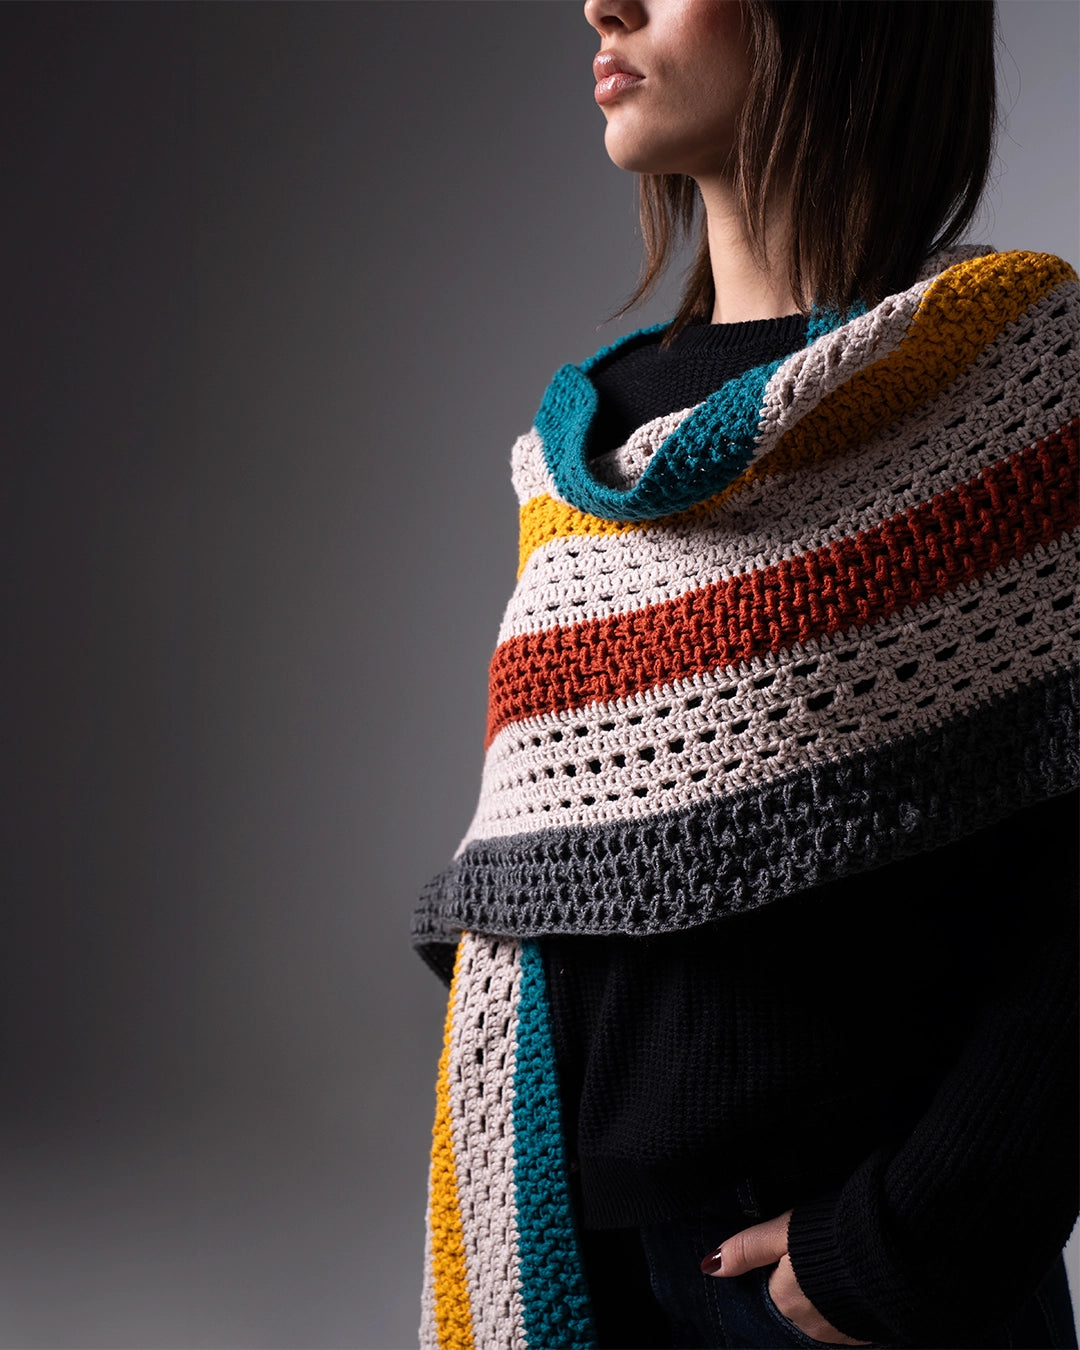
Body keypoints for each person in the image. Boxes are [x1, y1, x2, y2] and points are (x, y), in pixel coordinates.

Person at [412, 2, 1079, 1346]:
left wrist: (919, 1230)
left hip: (856, 1281)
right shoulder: (584, 452)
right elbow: (542, 889)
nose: (605, 4)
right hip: (582, 1252)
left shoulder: (1013, 394)